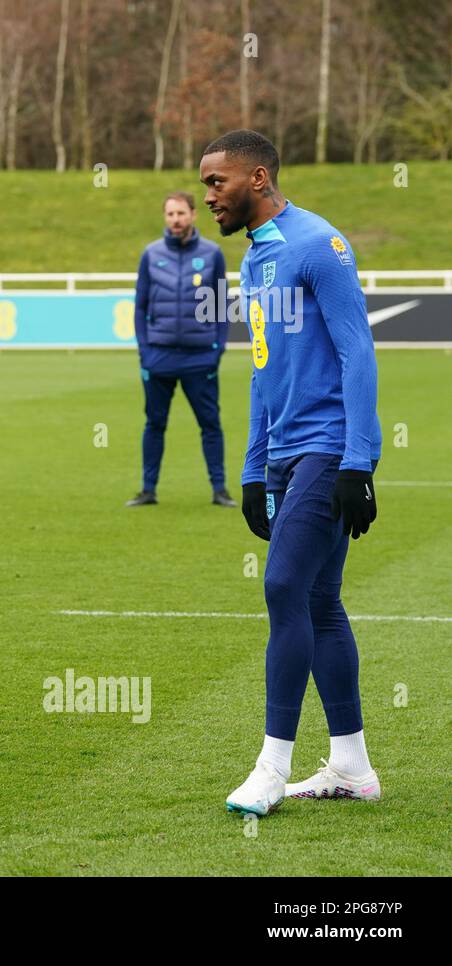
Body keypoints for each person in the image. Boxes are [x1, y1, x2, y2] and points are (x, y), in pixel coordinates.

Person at [199, 131, 382, 817]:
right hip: (282, 456)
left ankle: (271, 768)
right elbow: (260, 368)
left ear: (258, 176)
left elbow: (358, 351)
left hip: (328, 448)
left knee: (282, 586)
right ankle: (351, 766)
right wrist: (251, 469)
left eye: (217, 182)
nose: (207, 195)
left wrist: (359, 462)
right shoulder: (254, 261)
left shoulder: (318, 245)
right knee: (317, 601)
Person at [128, 191, 234, 508]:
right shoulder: (151, 254)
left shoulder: (213, 253)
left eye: (181, 214)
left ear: (193, 215)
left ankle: (219, 489)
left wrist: (217, 350)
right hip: (159, 356)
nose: (176, 220)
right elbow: (140, 307)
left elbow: (221, 306)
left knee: (210, 423)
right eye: (170, 214)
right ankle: (148, 489)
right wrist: (144, 351)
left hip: (200, 357)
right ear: (166, 218)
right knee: (155, 423)